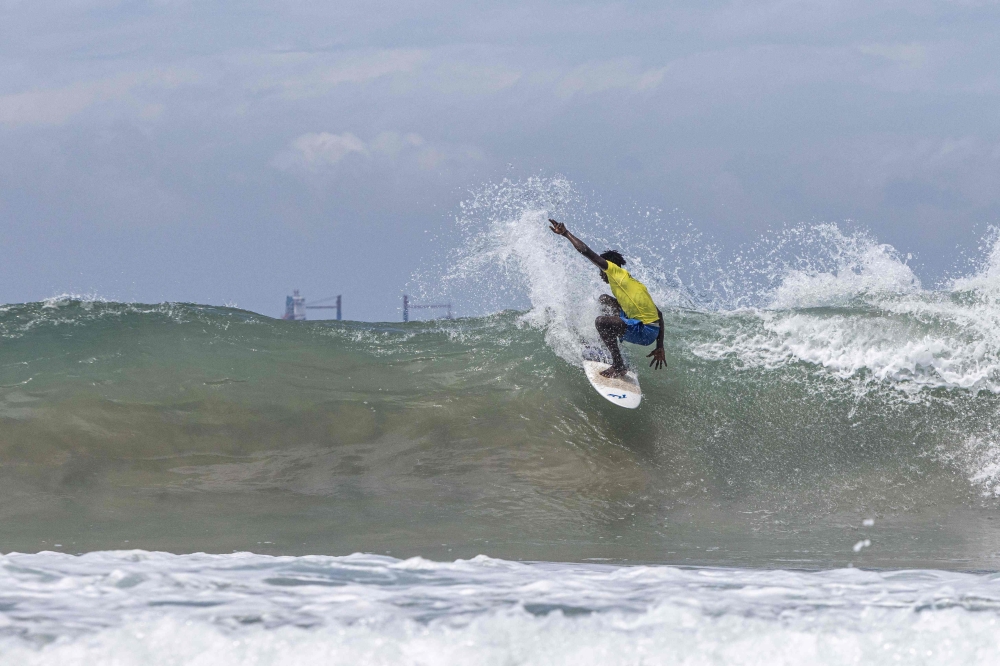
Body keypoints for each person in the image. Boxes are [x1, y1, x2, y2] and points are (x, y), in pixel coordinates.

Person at [548, 218, 667, 379]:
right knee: (605, 299)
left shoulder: (615, 273)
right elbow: (658, 314)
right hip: (648, 328)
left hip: (645, 331)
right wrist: (660, 347)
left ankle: (618, 365)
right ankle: (609, 343)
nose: (600, 273)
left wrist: (566, 233)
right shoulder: (630, 282)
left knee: (601, 322)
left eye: (600, 269)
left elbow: (586, 251)